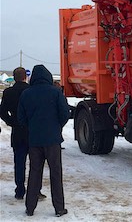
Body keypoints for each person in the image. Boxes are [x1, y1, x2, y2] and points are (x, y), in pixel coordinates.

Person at [18, 65, 70, 217]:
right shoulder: (55, 92)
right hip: (53, 140)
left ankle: (30, 207)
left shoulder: (26, 94)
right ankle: (59, 208)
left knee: (34, 173)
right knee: (55, 173)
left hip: (34, 140)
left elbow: (21, 118)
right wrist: (57, 126)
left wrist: (32, 127)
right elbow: (65, 113)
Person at [0, 67, 46, 201]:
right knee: (36, 164)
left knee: (19, 162)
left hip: (18, 132)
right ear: (25, 77)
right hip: (33, 132)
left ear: (14, 78)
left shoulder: (8, 92)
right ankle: (36, 190)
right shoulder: (32, 91)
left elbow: (2, 111)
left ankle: (19, 190)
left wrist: (11, 122)